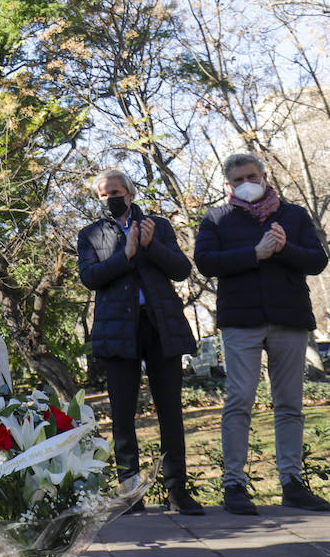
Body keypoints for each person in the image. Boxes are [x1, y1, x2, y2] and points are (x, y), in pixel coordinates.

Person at [194, 152, 330, 514]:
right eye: (238, 180)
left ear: (265, 176)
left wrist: (285, 248)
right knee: (240, 400)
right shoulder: (216, 218)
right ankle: (234, 486)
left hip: (289, 319)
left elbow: (317, 260)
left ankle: (292, 483)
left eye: (251, 176)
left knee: (290, 404)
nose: (246, 184)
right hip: (241, 321)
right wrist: (253, 253)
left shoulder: (293, 215)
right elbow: (205, 262)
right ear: (228, 184)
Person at [77, 169, 202, 515]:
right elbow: (90, 277)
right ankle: (130, 493)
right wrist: (126, 254)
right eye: (103, 194)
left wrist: (151, 246)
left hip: (160, 326)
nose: (110, 198)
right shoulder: (90, 234)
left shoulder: (158, 227)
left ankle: (177, 491)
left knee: (170, 412)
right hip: (118, 330)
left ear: (130, 193)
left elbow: (180, 269)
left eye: (115, 191)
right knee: (122, 415)